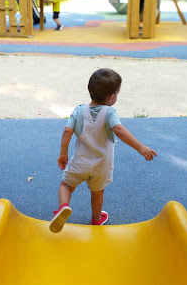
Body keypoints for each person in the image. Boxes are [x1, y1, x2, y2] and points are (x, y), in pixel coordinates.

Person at [49, 68, 157, 233]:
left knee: (66, 185)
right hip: (102, 165)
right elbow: (119, 130)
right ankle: (96, 219)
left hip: (80, 162)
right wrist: (140, 147)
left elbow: (67, 131)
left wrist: (63, 153)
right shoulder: (110, 112)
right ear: (111, 97)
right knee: (97, 192)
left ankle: (64, 206)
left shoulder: (79, 110)